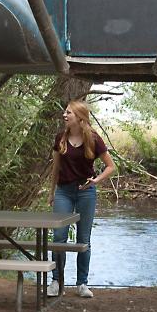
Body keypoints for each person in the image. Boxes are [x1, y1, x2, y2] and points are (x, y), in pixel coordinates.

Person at [47, 100, 116, 298]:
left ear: (79, 117)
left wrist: (95, 181)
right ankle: (56, 281)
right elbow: (55, 168)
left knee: (83, 239)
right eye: (65, 112)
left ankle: (82, 283)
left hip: (86, 193)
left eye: (68, 113)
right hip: (63, 192)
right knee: (59, 237)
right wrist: (51, 193)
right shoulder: (60, 138)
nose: (64, 115)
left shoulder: (94, 139)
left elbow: (111, 167)